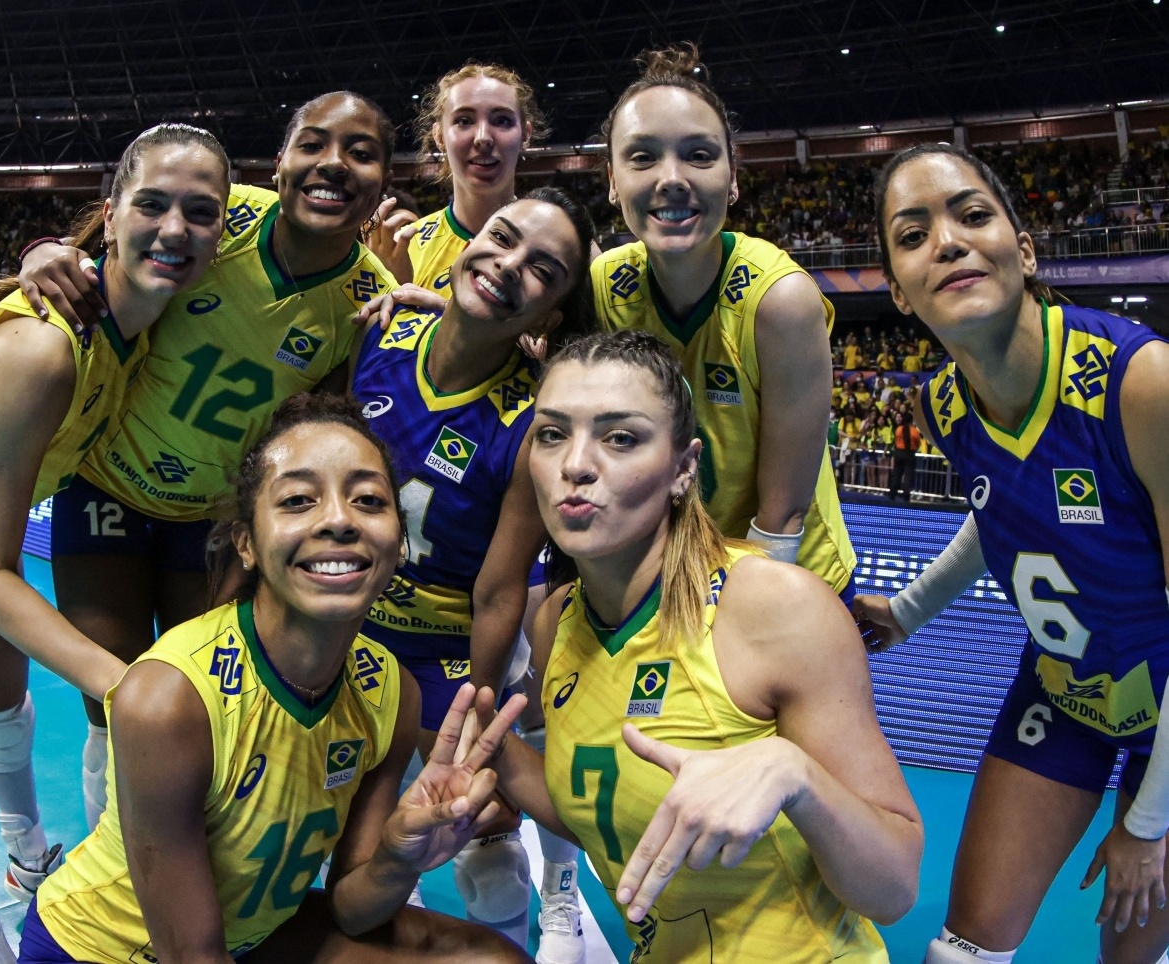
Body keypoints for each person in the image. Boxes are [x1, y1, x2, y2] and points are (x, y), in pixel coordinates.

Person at [20, 393, 531, 964]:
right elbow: (192, 956)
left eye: (367, 499)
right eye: (297, 500)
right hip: (104, 952)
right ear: (246, 542)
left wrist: (398, 857)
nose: (338, 520)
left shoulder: (390, 689)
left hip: (256, 933)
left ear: (398, 540)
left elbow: (350, 909)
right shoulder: (169, 699)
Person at [0, 123, 231, 964]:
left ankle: (31, 857)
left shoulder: (144, 321)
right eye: (152, 205)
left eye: (201, 212)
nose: (176, 229)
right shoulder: (44, 348)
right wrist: (128, 687)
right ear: (108, 217)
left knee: (8, 720)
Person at [469, 329, 922, 962]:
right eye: (552, 434)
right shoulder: (555, 625)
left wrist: (795, 776)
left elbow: (894, 886)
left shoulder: (773, 606)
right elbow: (604, 808)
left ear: (684, 469)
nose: (576, 463)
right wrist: (482, 751)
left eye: (620, 436)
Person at [17, 91, 397, 832]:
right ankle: (115, 866)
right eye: (313, 143)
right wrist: (41, 249)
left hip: (215, 521)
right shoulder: (218, 213)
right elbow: (109, 241)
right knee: (111, 704)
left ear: (385, 180)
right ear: (281, 159)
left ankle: (204, 857)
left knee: (203, 701)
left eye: (361, 151)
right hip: (109, 490)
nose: (332, 164)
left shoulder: (367, 307)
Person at [853, 143, 1169, 964]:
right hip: (1067, 692)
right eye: (913, 234)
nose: (948, 242)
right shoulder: (942, 406)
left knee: (1127, 957)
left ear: (1022, 249)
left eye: (971, 214)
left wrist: (1146, 822)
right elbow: (999, 513)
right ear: (897, 290)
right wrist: (909, 609)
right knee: (959, 952)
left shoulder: (1140, 385)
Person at [351, 187, 595, 952]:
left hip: (440, 650)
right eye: (501, 237)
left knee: (487, 850)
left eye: (542, 269)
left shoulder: (529, 424)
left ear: (549, 315)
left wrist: (472, 712)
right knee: (341, 836)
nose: (507, 265)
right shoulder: (378, 333)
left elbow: (498, 590)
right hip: (341, 636)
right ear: (464, 239)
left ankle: (539, 913)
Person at [591, 43, 857, 603]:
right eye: (642, 157)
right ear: (611, 181)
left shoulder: (780, 301)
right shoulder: (603, 285)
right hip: (674, 569)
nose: (671, 178)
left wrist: (730, 620)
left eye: (699, 155)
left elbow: (781, 517)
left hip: (786, 568)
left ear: (733, 178)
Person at [367, 63, 547, 292]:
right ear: (439, 136)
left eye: (502, 120)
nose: (483, 138)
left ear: (526, 134)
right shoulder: (401, 248)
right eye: (464, 121)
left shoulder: (563, 248)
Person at [887, 410, 920, 502]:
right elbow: (918, 443)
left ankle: (892, 493)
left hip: (899, 453)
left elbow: (896, 441)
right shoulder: (914, 431)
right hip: (909, 454)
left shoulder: (899, 429)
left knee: (897, 474)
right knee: (908, 475)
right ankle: (906, 495)